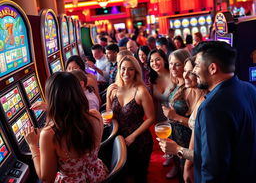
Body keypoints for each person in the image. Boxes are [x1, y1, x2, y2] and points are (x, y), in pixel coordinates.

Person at [24, 72, 108, 182]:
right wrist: (52, 108)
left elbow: (47, 178)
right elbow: (75, 123)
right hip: (98, 176)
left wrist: (33, 145)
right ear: (79, 92)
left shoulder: (49, 134)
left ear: (51, 98)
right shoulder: (95, 116)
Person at [192, 41, 256, 182]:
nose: (193, 70)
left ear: (212, 68)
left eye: (196, 65)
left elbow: (213, 167)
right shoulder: (249, 88)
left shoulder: (211, 107)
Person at [106, 55, 154, 183]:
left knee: (139, 177)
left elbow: (151, 118)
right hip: (119, 139)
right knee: (123, 177)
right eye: (123, 69)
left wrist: (132, 136)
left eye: (130, 69)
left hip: (139, 140)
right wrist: (107, 97)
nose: (126, 72)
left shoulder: (141, 91)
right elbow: (110, 115)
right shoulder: (114, 89)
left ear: (136, 71)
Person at [158, 56, 206, 183]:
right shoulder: (185, 89)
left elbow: (196, 129)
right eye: (185, 71)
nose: (185, 76)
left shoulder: (205, 98)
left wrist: (176, 117)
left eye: (191, 72)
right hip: (180, 142)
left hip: (192, 147)